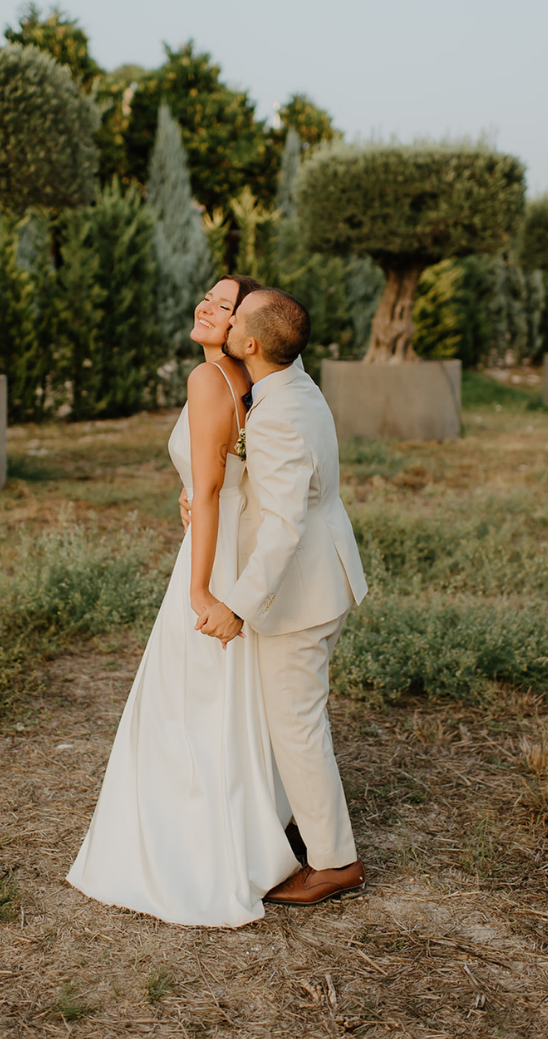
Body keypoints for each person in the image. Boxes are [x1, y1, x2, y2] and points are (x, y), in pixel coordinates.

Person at [68, 275, 301, 926]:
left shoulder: (210, 382)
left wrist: (200, 590)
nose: (207, 306)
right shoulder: (237, 383)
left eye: (224, 306)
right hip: (227, 544)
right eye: (207, 295)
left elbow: (210, 485)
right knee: (216, 696)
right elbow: (227, 477)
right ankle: (249, 830)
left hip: (210, 555)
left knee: (186, 699)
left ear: (243, 329)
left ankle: (186, 852)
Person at [195, 287, 370, 906]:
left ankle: (333, 862)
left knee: (297, 727)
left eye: (234, 316)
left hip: (302, 592)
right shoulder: (292, 384)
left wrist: (236, 605)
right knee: (292, 721)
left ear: (249, 346)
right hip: (320, 573)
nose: (222, 317)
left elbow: (284, 526)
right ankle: (302, 820)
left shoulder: (278, 415)